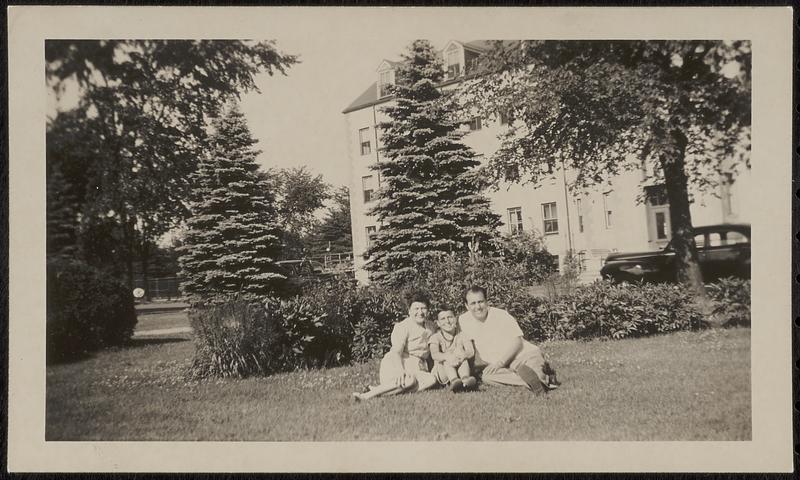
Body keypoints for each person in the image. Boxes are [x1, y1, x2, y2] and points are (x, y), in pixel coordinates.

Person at [458, 286, 559, 394]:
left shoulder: (501, 315)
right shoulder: (464, 320)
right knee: (487, 377)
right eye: (473, 303)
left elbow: (518, 342)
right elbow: (467, 346)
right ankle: (537, 383)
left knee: (535, 372)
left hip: (525, 356)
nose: (478, 307)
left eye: (480, 302)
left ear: (487, 302)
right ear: (466, 306)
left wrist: (500, 363)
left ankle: (537, 379)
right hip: (505, 367)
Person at [352, 291, 438, 401]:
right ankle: (365, 396)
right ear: (409, 311)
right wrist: (400, 370)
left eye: (423, 308)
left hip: (417, 366)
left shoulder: (431, 327)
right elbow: (396, 352)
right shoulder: (403, 326)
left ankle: (378, 390)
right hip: (397, 362)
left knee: (431, 380)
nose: (420, 312)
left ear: (428, 310)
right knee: (409, 381)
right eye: (416, 309)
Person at [428, 308, 478, 393]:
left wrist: (462, 356)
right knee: (448, 356)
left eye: (450, 317)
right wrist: (448, 357)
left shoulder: (462, 335)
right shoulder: (435, 337)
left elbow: (470, 351)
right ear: (438, 323)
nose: (447, 321)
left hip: (460, 368)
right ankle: (454, 381)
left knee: (460, 352)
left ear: (455, 319)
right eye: (443, 319)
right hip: (442, 371)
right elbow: (435, 354)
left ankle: (466, 380)